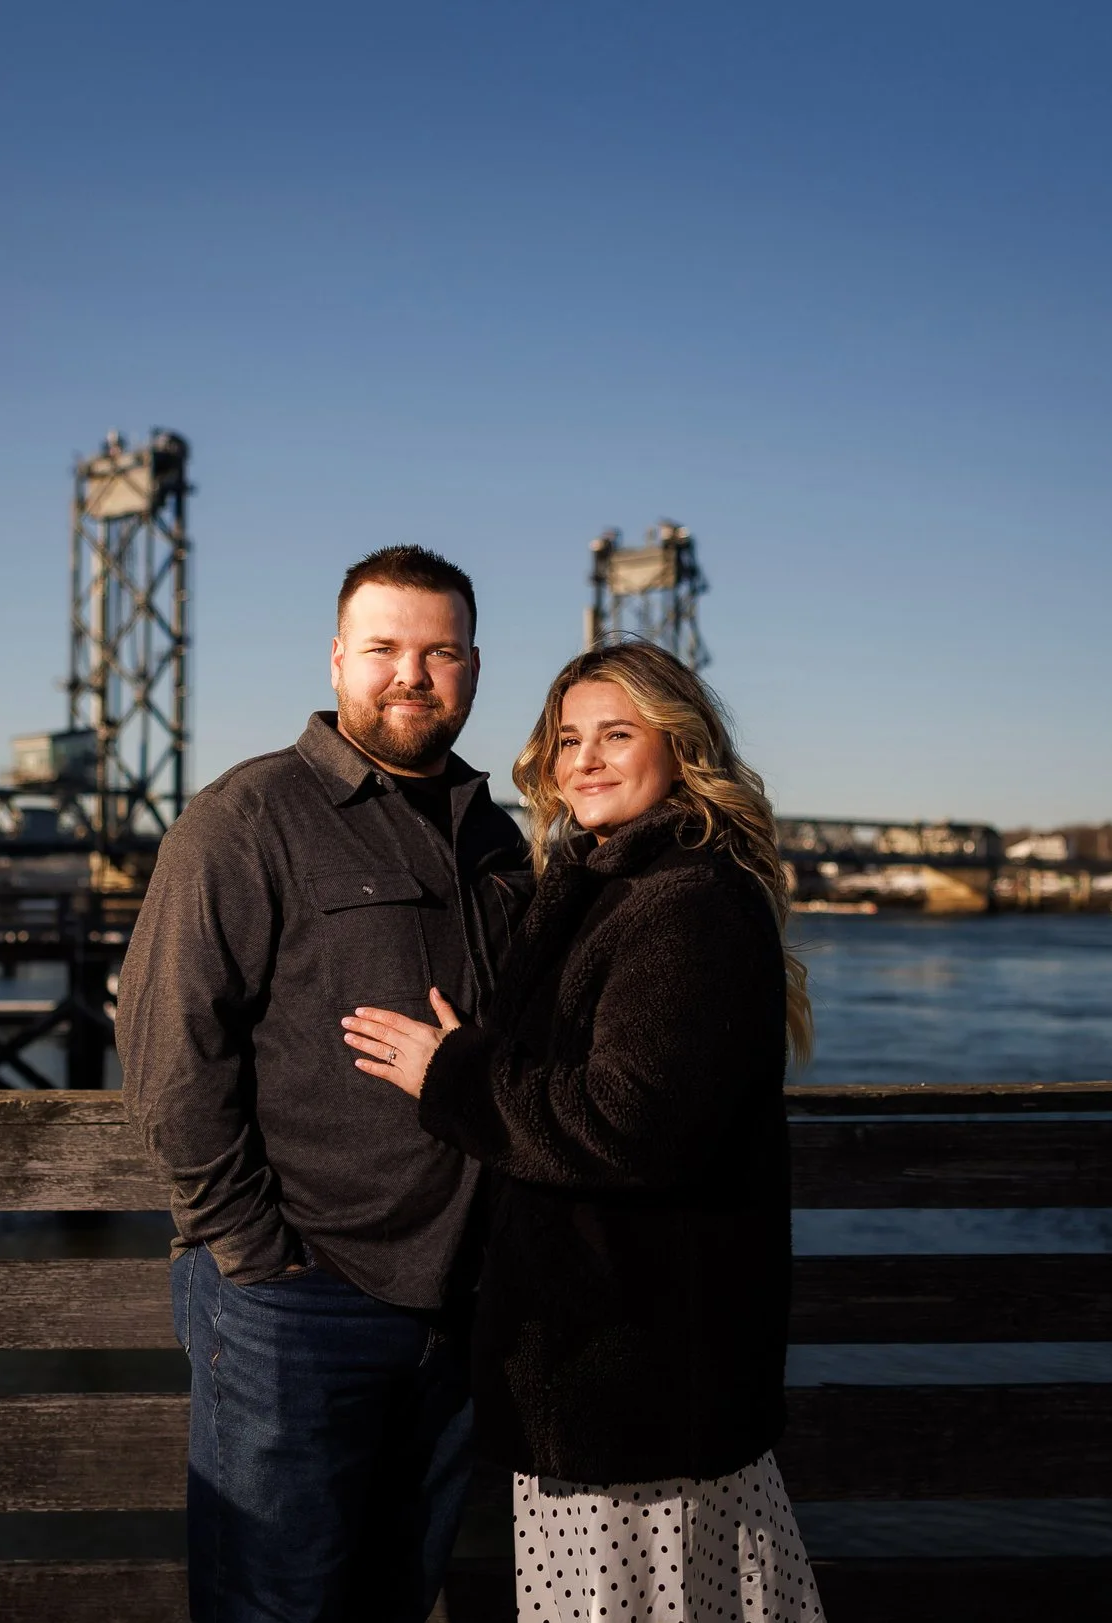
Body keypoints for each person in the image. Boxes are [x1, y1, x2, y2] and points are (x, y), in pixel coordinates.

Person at [343, 638, 826, 1623]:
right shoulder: (617, 883)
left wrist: (455, 1077)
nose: (586, 760)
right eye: (568, 740)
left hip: (632, 1371)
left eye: (617, 734)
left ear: (681, 748)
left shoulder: (682, 901)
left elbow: (624, 1125)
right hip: (616, 1360)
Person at [119, 545, 532, 1623]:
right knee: (276, 1606)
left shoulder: (496, 839)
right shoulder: (245, 819)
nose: (413, 674)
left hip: (455, 1305)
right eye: (386, 648)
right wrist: (253, 1255)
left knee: (396, 1599)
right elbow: (168, 1053)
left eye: (439, 652)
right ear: (338, 659)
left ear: (474, 667)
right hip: (302, 1300)